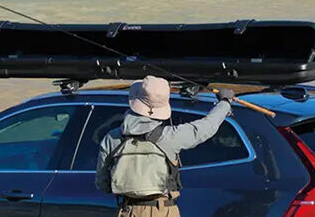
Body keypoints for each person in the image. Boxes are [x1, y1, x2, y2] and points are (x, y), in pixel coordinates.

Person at [96, 75, 235, 217]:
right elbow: (205, 127)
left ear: (135, 103)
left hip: (127, 211)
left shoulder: (111, 138)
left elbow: (102, 184)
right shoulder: (170, 137)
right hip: (163, 211)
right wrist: (224, 103)